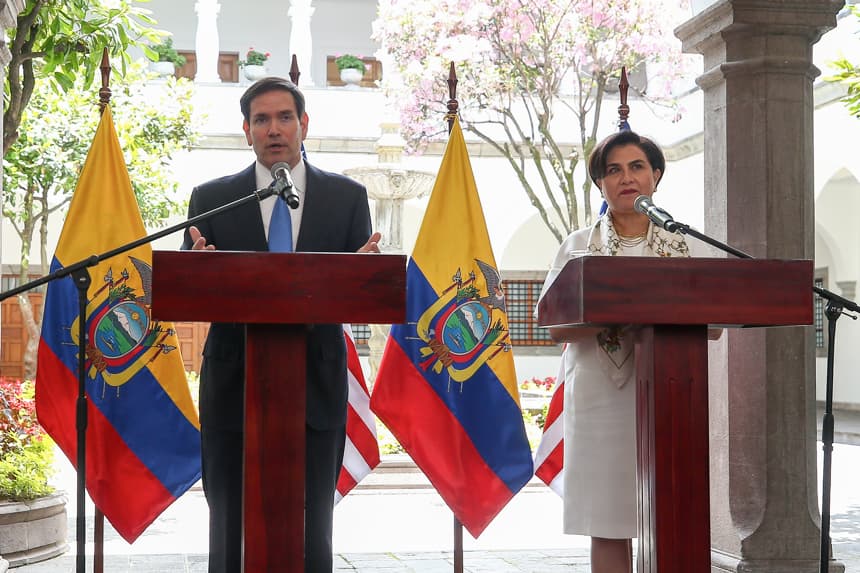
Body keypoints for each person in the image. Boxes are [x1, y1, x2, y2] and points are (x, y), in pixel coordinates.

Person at [181, 76, 380, 573]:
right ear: (246, 131)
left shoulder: (347, 198)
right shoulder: (212, 198)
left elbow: (358, 296)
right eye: (262, 119)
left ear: (304, 125)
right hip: (233, 383)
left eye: (285, 117)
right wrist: (197, 267)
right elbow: (190, 287)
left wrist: (362, 275)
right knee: (228, 517)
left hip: (316, 381)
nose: (275, 130)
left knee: (313, 525)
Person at [538, 130, 693, 572]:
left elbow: (714, 328)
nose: (627, 178)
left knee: (671, 516)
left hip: (671, 394)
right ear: (601, 184)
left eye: (638, 167)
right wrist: (613, 313)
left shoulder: (686, 247)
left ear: (656, 177)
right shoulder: (577, 248)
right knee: (606, 519)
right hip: (599, 398)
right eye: (614, 170)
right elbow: (552, 326)